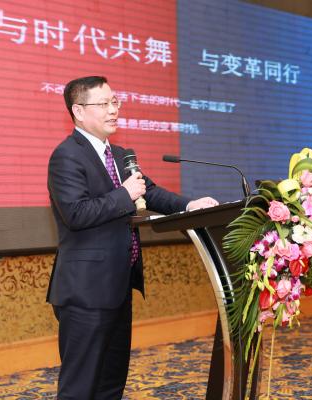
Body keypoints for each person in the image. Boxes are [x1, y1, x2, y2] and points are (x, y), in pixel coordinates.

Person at [46, 76, 218, 399]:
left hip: (118, 285)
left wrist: (189, 205)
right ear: (79, 111)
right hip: (85, 291)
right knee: (80, 387)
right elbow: (76, 214)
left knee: (111, 382)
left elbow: (148, 191)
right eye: (104, 104)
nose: (114, 110)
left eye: (115, 102)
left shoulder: (119, 154)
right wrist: (124, 195)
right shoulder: (66, 156)